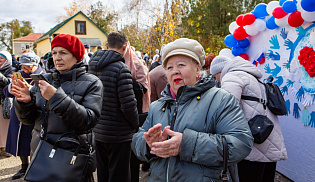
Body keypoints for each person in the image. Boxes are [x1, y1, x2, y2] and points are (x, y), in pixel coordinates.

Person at [131, 38, 253, 182]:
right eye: (169, 67)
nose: (174, 71)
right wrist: (148, 144)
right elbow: (137, 139)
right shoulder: (157, 106)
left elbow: (240, 144)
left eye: (181, 65)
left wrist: (186, 145)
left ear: (197, 68)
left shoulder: (221, 100)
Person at [12, 34, 103, 181]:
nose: (57, 57)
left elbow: (89, 120)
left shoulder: (92, 82)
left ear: (76, 55)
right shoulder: (44, 80)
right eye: (54, 53)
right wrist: (25, 102)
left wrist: (55, 97)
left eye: (63, 53)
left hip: (73, 159)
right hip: (42, 156)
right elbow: (28, 120)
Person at [210, 55, 287, 182]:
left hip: (251, 147)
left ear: (219, 72)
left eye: (215, 77)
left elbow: (226, 110)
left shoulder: (231, 77)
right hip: (268, 139)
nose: (217, 81)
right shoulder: (254, 78)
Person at [88, 31, 139, 182]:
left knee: (103, 174)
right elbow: (128, 105)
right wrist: (135, 126)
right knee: (120, 175)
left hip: (98, 131)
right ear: (125, 47)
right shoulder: (121, 69)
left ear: (106, 45)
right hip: (119, 134)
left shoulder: (91, 67)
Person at [4, 53, 44, 180]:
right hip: (19, 112)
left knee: (33, 141)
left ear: (34, 65)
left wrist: (30, 89)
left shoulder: (42, 75)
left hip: (34, 112)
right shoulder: (18, 74)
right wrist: (11, 86)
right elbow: (6, 91)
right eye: (23, 67)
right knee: (20, 141)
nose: (25, 70)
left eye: (28, 67)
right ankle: (24, 166)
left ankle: (35, 167)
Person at [124, 42, 151, 182]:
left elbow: (143, 88)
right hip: (124, 119)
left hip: (137, 114)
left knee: (134, 156)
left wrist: (126, 80)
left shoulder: (137, 65)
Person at [0, 50, 14, 157]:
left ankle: (5, 148)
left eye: (1, 58)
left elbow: (9, 83)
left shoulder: (11, 69)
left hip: (4, 101)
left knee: (5, 126)